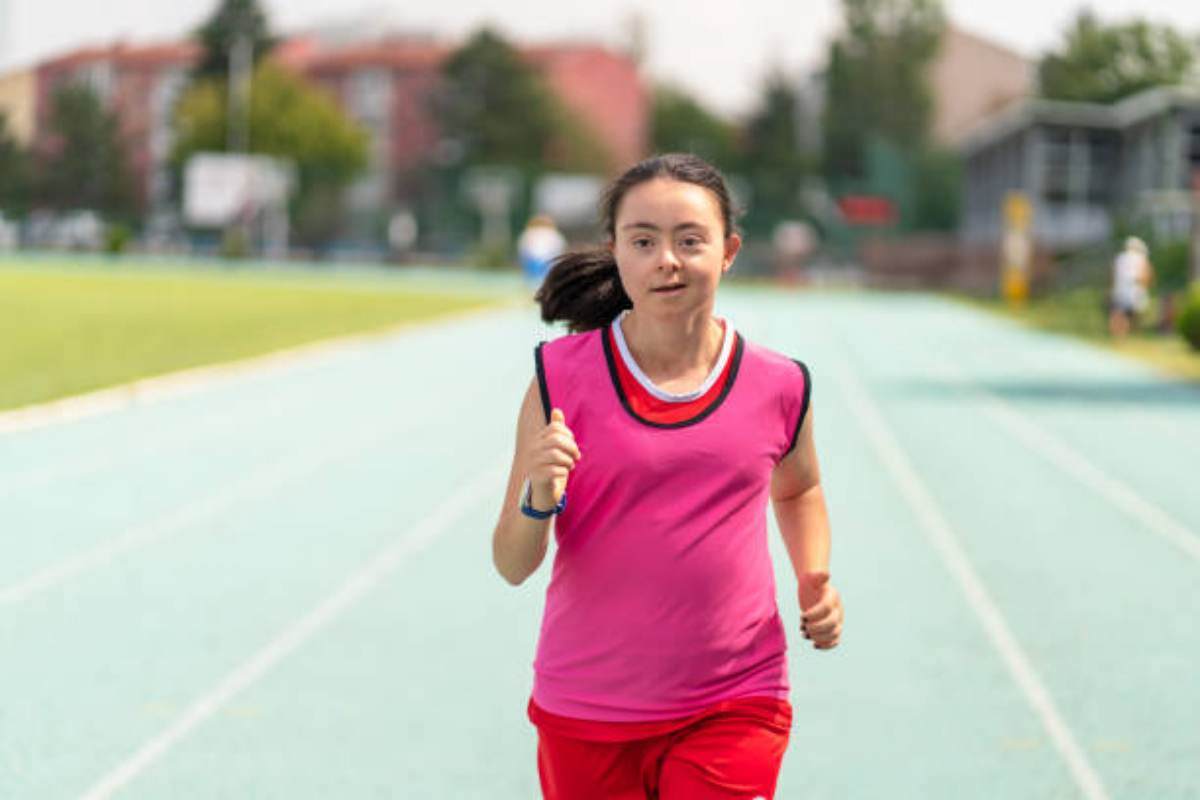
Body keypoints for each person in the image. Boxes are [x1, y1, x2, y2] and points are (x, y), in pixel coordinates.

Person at [491, 153, 843, 799]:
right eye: (644, 241)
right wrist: (539, 498)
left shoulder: (780, 383)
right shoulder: (560, 378)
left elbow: (798, 487)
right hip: (588, 705)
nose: (667, 260)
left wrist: (812, 572)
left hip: (736, 697)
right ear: (616, 250)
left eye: (690, 240)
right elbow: (512, 564)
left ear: (730, 250)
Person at [1109, 236, 1154, 338]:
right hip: (1135, 289)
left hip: (1120, 288)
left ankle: (1119, 335)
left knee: (1119, 313)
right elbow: (1146, 274)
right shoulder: (1141, 258)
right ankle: (1133, 333)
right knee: (1135, 314)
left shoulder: (1120, 258)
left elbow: (1113, 274)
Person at [518, 214, 568, 287]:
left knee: (534, 279)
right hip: (543, 259)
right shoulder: (551, 233)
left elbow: (523, 247)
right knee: (539, 279)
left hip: (537, 258)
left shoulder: (530, 232)